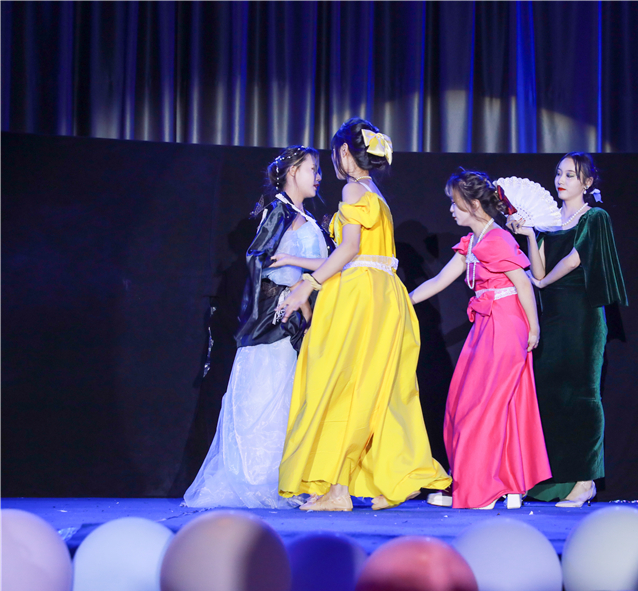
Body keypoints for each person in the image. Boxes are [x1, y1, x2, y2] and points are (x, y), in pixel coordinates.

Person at [276, 117, 451, 511]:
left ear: (343, 152)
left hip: (359, 296)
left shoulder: (353, 189)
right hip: (383, 292)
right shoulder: (374, 192)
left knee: (342, 385)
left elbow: (350, 248)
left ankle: (338, 488)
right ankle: (393, 477)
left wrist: (308, 284)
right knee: (378, 388)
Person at [184, 146, 330, 508]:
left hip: (299, 315)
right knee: (267, 395)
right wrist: (289, 295)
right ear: (293, 171)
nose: (318, 176)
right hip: (277, 318)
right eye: (312, 168)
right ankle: (261, 480)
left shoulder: (303, 214)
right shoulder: (279, 210)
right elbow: (261, 260)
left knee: (287, 397)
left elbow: (321, 263)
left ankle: (287, 477)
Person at [409, 169, 551, 510]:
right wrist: (401, 300)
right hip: (486, 325)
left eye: (455, 202)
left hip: (506, 326)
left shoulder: (498, 239)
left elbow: (523, 282)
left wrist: (533, 328)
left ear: (473, 204)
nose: (450, 209)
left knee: (482, 406)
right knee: (473, 404)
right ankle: (507, 484)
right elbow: (439, 281)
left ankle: (482, 489)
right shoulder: (471, 242)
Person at [509, 152, 628, 507]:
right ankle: (551, 480)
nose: (561, 180)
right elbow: (539, 270)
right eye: (559, 173)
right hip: (554, 318)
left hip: (584, 316)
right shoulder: (549, 221)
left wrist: (542, 283)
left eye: (571, 175)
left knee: (582, 396)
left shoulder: (595, 217)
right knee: (550, 395)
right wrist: (530, 235)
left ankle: (584, 481)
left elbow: (574, 259)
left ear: (587, 182)